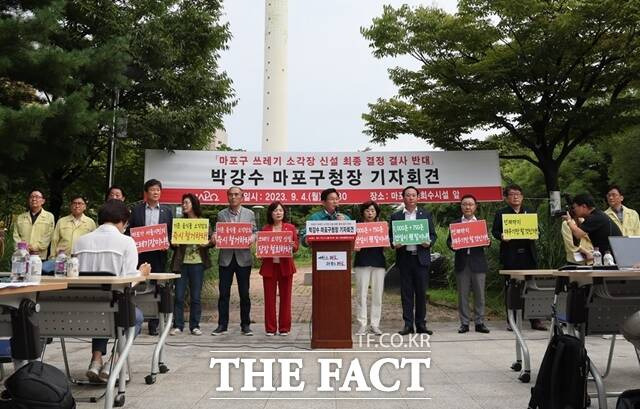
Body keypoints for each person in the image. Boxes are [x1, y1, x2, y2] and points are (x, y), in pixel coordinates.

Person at [73, 199, 151, 382]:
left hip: (79, 312)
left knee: (100, 305)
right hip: (112, 312)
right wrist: (142, 274)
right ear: (122, 221)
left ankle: (96, 360)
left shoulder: (80, 242)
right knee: (135, 316)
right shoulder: (126, 242)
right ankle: (114, 362)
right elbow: (128, 284)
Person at [491, 184, 546, 331]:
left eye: (518, 194)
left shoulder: (529, 212)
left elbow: (537, 230)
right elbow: (495, 231)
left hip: (528, 255)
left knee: (532, 288)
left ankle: (536, 320)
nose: (515, 197)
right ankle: (513, 320)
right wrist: (502, 236)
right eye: (512, 194)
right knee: (512, 289)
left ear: (522, 197)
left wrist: (536, 234)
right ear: (506, 197)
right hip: (511, 256)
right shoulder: (501, 213)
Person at [127, 179, 173, 335]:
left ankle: (154, 324)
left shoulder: (167, 211)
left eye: (158, 190)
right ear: (146, 193)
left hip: (159, 255)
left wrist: (167, 243)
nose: (155, 192)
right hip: (140, 255)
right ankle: (135, 318)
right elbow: (130, 232)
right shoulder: (136, 210)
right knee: (136, 285)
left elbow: (170, 234)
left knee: (158, 288)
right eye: (152, 190)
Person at [389, 186, 437, 336]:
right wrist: (393, 243)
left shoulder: (425, 214)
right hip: (405, 259)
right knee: (406, 293)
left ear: (418, 198)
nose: (410, 198)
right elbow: (391, 236)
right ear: (403, 198)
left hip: (420, 259)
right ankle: (408, 324)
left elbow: (432, 235)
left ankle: (421, 324)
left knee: (421, 293)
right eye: (408, 195)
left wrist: (429, 242)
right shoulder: (396, 216)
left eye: (413, 195)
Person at [211, 187, 256, 336]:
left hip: (243, 258)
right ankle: (222, 325)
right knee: (223, 293)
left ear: (242, 197)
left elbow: (254, 231)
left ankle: (245, 325)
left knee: (244, 293)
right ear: (227, 197)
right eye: (231, 194)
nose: (233, 197)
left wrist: (252, 238)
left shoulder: (249, 214)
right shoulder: (221, 214)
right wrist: (215, 236)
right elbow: (217, 231)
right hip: (226, 259)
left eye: (236, 194)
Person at [170, 194, 214, 336]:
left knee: (196, 296)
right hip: (181, 264)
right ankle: (178, 325)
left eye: (186, 203)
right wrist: (173, 243)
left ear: (194, 204)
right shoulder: (179, 223)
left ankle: (195, 325)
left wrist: (208, 242)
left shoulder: (202, 222)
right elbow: (173, 243)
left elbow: (211, 241)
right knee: (178, 296)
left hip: (197, 263)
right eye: (183, 203)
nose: (184, 205)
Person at [447, 195, 490, 334]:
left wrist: (488, 242)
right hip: (462, 263)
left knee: (480, 295)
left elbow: (488, 240)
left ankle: (479, 322)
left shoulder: (482, 224)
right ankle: (464, 323)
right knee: (463, 295)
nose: (468, 207)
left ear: (475, 206)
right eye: (465, 204)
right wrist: (452, 245)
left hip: (478, 263)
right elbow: (449, 242)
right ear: (461, 207)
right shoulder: (455, 224)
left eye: (470, 204)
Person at [258, 201, 299, 336]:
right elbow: (262, 247)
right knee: (269, 299)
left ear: (284, 212)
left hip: (286, 267)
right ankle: (270, 328)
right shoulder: (265, 229)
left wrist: (293, 245)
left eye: (280, 210)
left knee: (286, 298)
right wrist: (260, 252)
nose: (278, 213)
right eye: (275, 210)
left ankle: (284, 328)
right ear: (271, 213)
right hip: (269, 267)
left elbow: (296, 247)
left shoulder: (290, 228)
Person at [353, 200, 386, 336]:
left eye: (373, 210)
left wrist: (387, 240)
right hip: (362, 262)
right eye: (367, 210)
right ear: (363, 213)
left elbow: (387, 246)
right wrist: (353, 246)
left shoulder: (382, 227)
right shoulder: (357, 227)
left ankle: (375, 324)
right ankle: (362, 324)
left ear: (376, 213)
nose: (370, 213)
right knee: (361, 294)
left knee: (377, 295)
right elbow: (351, 244)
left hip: (378, 263)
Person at [12, 189, 55, 259]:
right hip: (22, 255)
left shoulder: (49, 217)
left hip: (39, 256)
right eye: (32, 197)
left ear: (43, 201)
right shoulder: (20, 217)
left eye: (37, 197)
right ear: (29, 200)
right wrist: (23, 249)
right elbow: (16, 236)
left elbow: (48, 236)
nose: (34, 199)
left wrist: (34, 247)